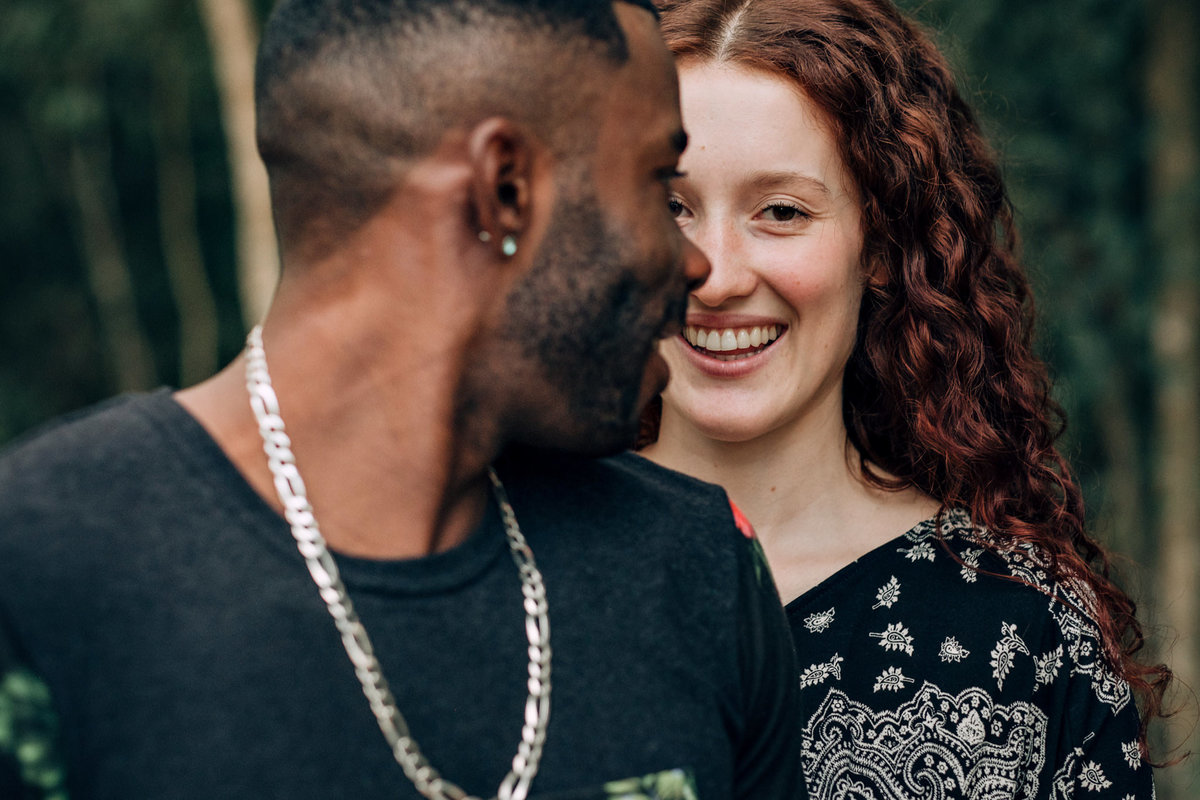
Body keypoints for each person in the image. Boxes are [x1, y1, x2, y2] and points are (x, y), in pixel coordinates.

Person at [0, 1, 807, 797]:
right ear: (505, 189)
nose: (698, 267)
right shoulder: (41, 570)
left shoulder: (696, 568)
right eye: (657, 185)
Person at [640, 0, 1173, 796]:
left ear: (882, 245)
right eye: (670, 208)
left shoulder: (1026, 635)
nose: (715, 274)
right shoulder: (497, 576)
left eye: (781, 212)